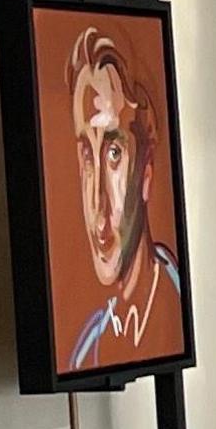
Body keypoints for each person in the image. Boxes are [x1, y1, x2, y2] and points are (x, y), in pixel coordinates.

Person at [62, 26, 181, 372]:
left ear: (146, 170)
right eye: (87, 154)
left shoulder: (179, 304)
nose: (97, 204)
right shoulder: (86, 353)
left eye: (114, 152)